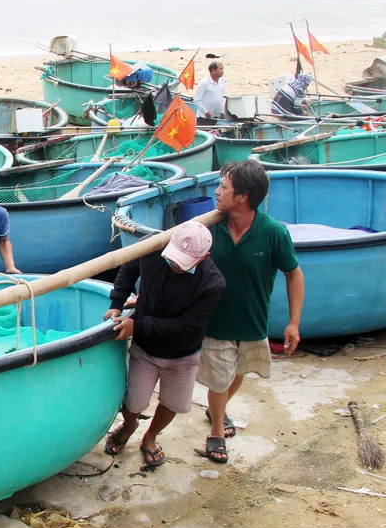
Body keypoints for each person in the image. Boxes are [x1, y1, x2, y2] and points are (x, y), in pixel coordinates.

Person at [196, 160, 305, 464]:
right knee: (218, 381)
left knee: (239, 372)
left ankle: (216, 410)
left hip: (253, 321)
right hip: (215, 323)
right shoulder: (209, 227)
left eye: (223, 187)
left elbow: (294, 274)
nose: (216, 192)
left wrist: (294, 322)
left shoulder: (272, 232)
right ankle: (216, 430)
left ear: (243, 196)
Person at [103, 221, 226, 466]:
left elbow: (187, 326)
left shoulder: (212, 284)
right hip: (146, 348)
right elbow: (128, 269)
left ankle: (150, 437)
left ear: (204, 257)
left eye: (183, 262)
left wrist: (137, 325)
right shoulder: (151, 248)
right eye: (173, 258)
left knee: (172, 403)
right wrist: (117, 302)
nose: (175, 265)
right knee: (133, 401)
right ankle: (129, 426)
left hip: (183, 353)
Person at [194, 61, 225, 127]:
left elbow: (221, 97)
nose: (222, 71)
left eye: (222, 69)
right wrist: (206, 112)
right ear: (213, 70)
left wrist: (222, 111)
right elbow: (197, 99)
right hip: (204, 118)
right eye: (220, 69)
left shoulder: (222, 81)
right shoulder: (204, 83)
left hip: (216, 117)